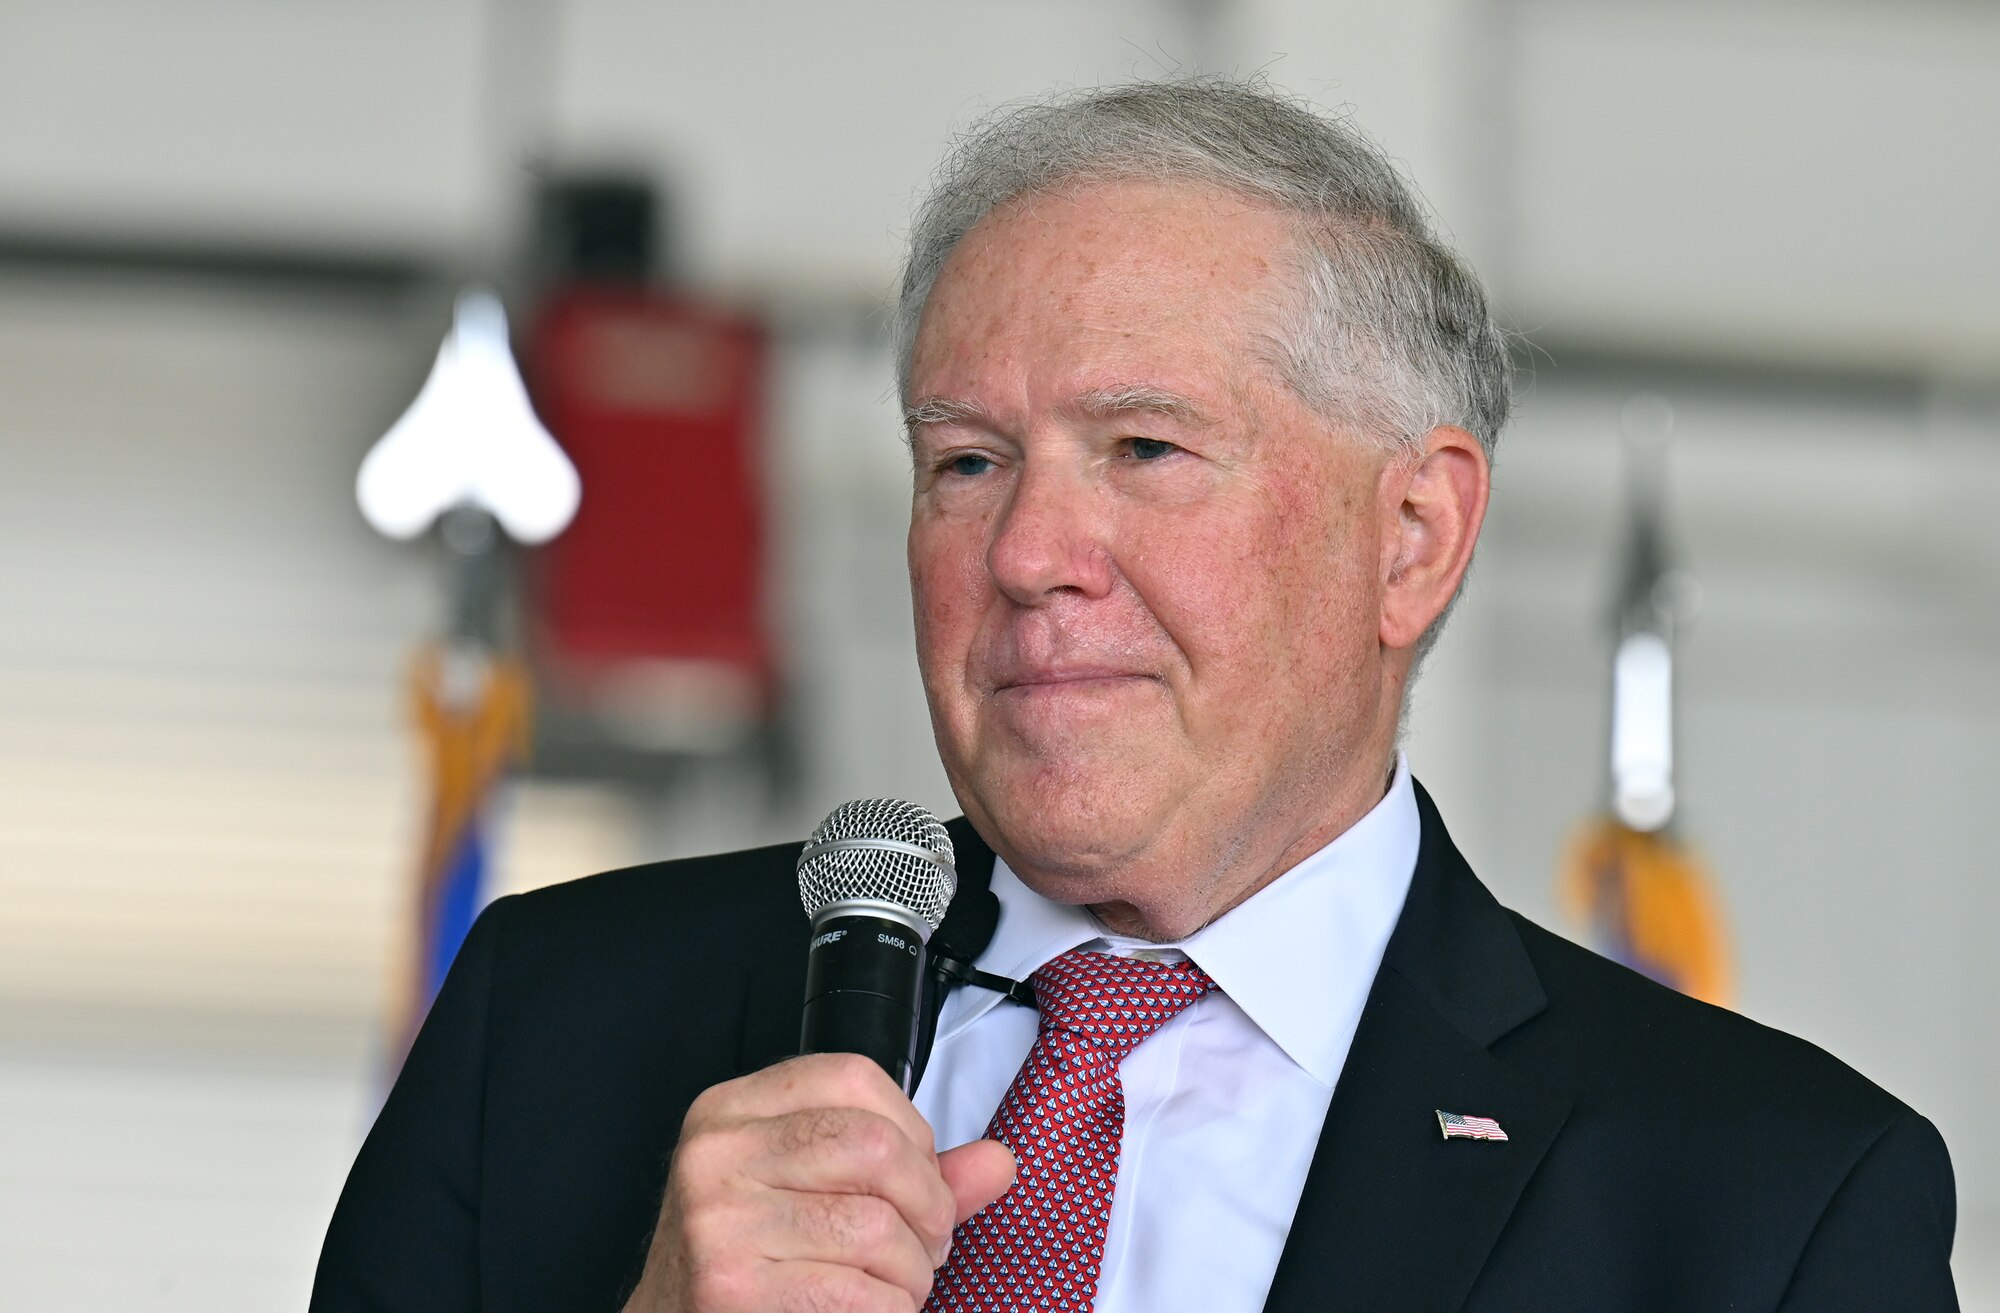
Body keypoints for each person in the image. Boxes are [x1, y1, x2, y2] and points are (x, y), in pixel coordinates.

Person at [312, 78, 1959, 1313]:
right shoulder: (554, 1028)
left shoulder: (1771, 1206)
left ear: (1413, 536)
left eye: (1144, 451)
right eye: (965, 460)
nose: (1027, 550)